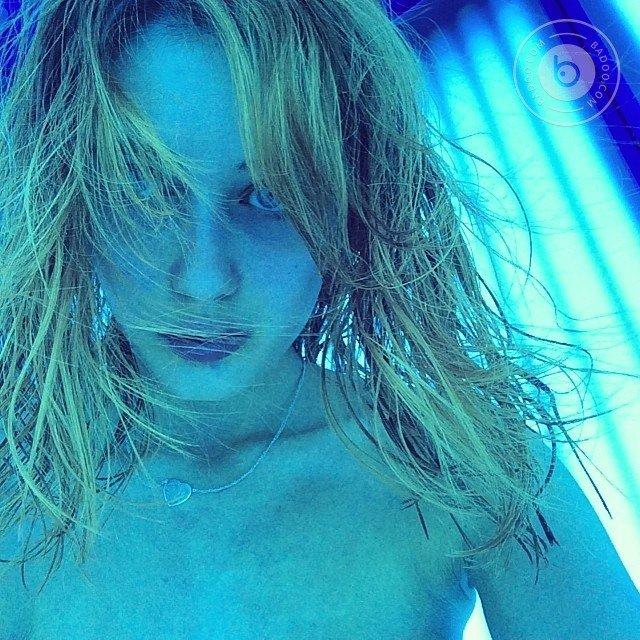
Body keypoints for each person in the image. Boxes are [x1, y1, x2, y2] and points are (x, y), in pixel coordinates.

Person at [0, 1, 638, 638]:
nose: (204, 279)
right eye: (140, 190)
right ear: (64, 198)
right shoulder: (16, 492)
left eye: (268, 196)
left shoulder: (466, 470)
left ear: (351, 205)